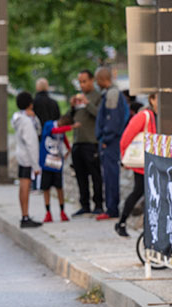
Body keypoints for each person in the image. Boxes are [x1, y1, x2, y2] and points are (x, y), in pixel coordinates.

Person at [116, 93, 157, 237]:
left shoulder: (163, 117)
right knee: (139, 191)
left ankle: (148, 228)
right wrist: (124, 158)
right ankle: (122, 222)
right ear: (152, 99)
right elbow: (126, 136)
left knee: (149, 194)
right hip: (143, 163)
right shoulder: (144, 116)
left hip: (156, 163)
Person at [95, 67, 129, 220]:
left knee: (110, 176)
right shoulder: (113, 93)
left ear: (102, 79)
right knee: (109, 175)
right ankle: (111, 207)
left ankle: (112, 209)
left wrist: (105, 138)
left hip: (110, 142)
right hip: (111, 140)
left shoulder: (112, 94)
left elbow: (112, 119)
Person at [69, 70, 104, 216]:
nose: (82, 85)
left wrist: (87, 103)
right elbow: (72, 118)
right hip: (78, 141)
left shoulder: (98, 97)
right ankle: (84, 204)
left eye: (84, 81)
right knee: (80, 176)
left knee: (95, 175)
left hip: (91, 142)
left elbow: (99, 115)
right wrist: (72, 106)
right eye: (80, 82)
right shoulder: (79, 98)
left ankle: (98, 205)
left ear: (91, 81)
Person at [12, 91, 42, 228]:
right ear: (30, 104)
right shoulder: (26, 122)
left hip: (21, 154)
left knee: (23, 184)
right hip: (27, 157)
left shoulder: (18, 118)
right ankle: (25, 216)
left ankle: (24, 214)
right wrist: (36, 166)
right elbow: (32, 143)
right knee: (25, 184)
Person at [39, 115, 76, 223]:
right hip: (47, 160)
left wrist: (68, 149)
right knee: (46, 188)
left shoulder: (62, 131)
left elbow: (63, 137)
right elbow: (53, 131)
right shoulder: (49, 124)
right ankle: (48, 212)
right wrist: (71, 127)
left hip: (57, 160)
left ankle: (62, 211)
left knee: (59, 187)